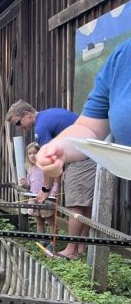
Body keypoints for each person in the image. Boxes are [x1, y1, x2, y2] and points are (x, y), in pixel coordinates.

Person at [37, 37, 131, 213]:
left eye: (18, 122)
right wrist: (58, 147)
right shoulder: (122, 55)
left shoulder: (41, 125)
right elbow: (89, 127)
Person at [6, 100, 96, 259]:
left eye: (19, 122)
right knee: (84, 205)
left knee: (75, 206)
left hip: (82, 159)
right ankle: (81, 247)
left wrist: (45, 189)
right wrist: (58, 181)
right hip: (89, 155)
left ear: (27, 114)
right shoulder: (50, 114)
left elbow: (48, 160)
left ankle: (71, 250)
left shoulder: (41, 127)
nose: (20, 127)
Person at [19, 142, 59, 236]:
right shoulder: (31, 169)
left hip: (47, 199)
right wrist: (24, 184)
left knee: (51, 222)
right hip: (34, 198)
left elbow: (56, 182)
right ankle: (42, 241)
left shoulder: (46, 167)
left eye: (35, 153)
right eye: (29, 154)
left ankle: (52, 243)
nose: (32, 156)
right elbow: (30, 186)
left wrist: (53, 194)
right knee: (39, 221)